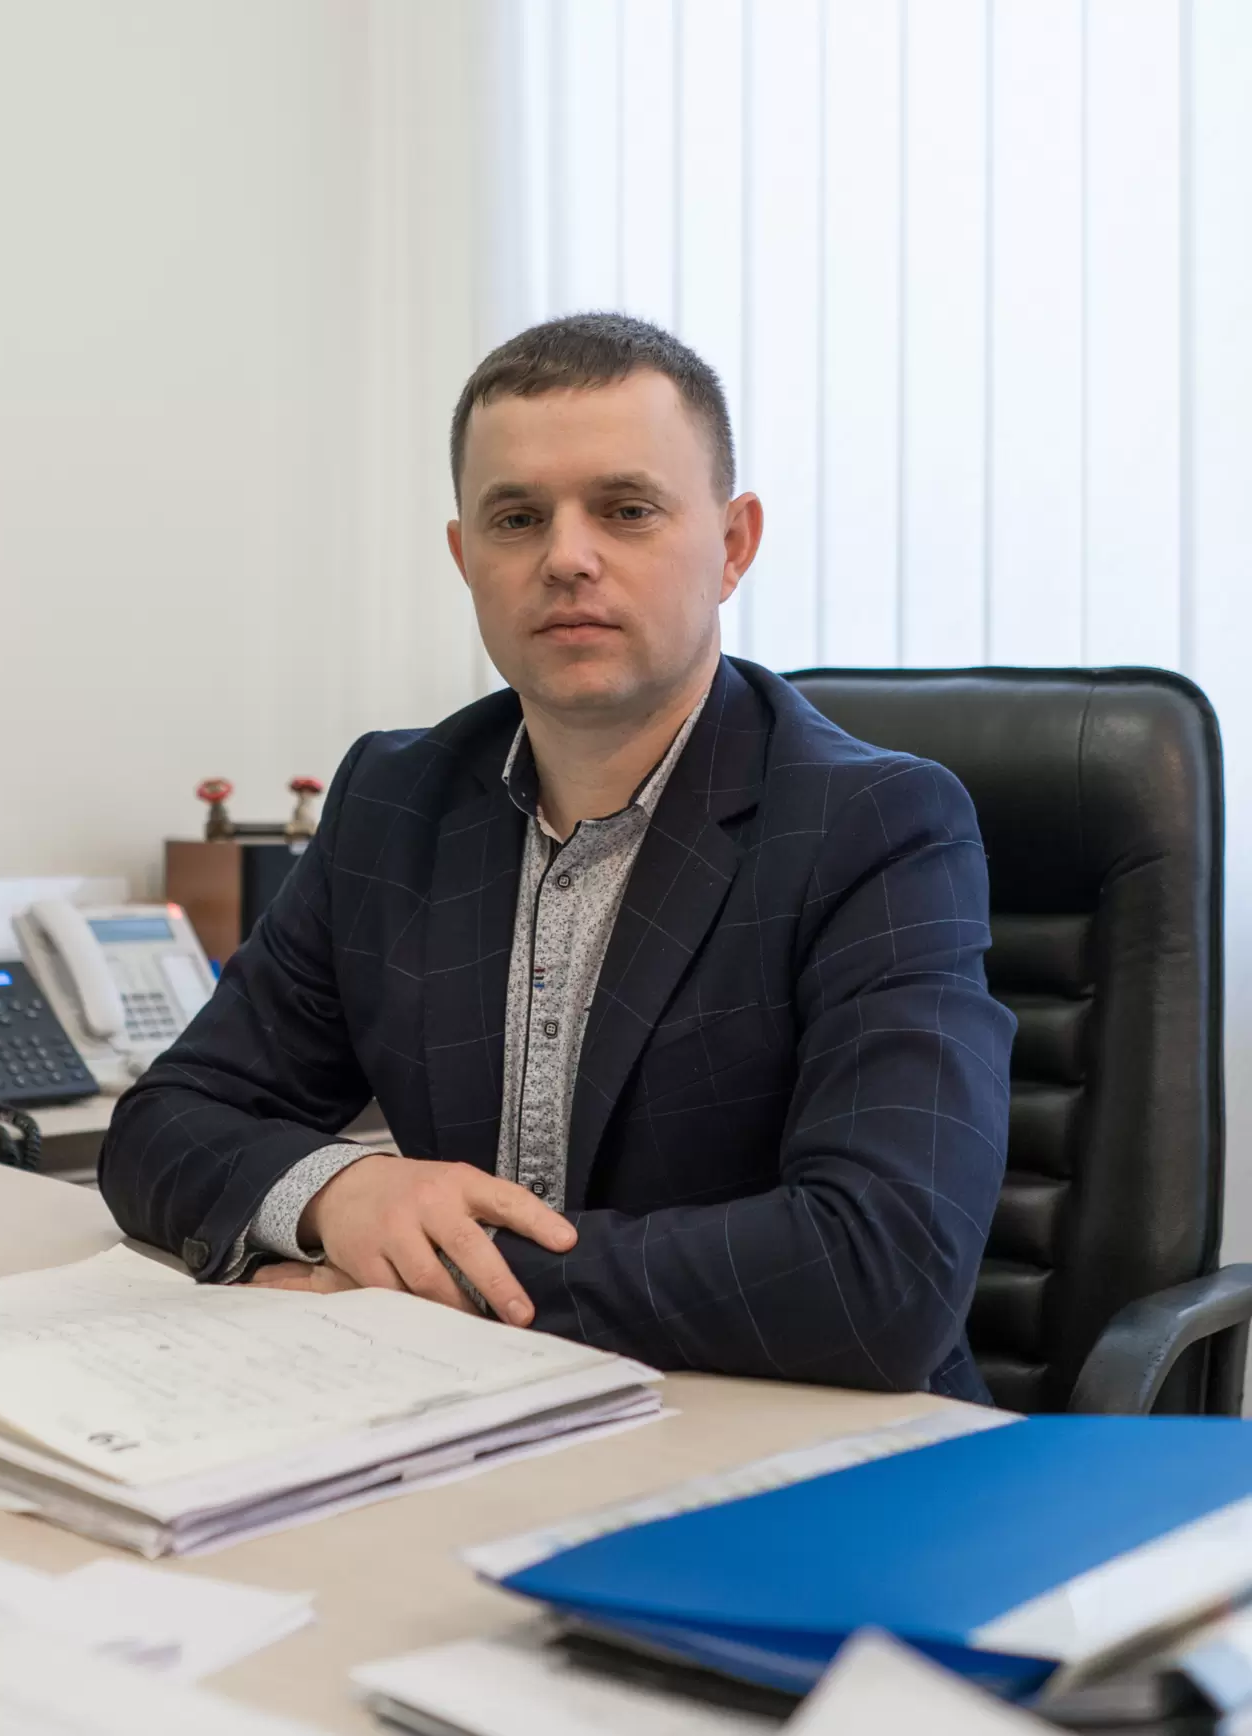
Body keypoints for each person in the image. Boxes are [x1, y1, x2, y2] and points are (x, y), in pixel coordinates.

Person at [100, 313, 1016, 1400]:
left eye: (626, 510)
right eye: (517, 518)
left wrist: (439, 1278)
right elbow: (162, 1122)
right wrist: (339, 1194)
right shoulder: (394, 801)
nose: (566, 556)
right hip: (456, 1414)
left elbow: (885, 1272)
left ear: (732, 545)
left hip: (799, 1443)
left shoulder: (876, 823)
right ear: (465, 558)